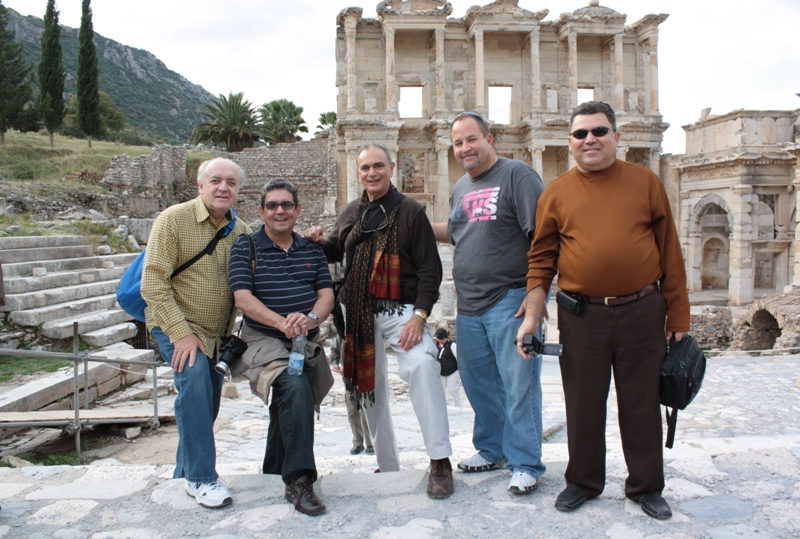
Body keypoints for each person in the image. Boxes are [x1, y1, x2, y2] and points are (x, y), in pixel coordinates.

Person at [517, 101, 690, 520]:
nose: (589, 139)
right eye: (580, 133)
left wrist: (679, 317)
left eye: (598, 131)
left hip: (642, 309)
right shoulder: (556, 193)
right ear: (570, 142)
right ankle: (583, 481)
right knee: (583, 402)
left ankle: (646, 486)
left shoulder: (645, 182)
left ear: (617, 137)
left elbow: (669, 250)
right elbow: (541, 261)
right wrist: (531, 318)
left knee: (641, 401)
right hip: (581, 315)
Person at [305, 143, 454, 499]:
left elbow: (430, 269)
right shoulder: (351, 212)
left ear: (391, 168)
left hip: (401, 309)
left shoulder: (410, 212)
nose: (371, 173)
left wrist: (420, 316)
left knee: (422, 365)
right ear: (358, 173)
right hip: (357, 311)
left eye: (378, 166)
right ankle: (387, 465)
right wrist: (316, 241)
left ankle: (440, 461)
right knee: (370, 388)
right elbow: (336, 250)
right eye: (364, 168)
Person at [431, 111, 546, 494]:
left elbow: (543, 239)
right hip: (471, 305)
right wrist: (411, 223)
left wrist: (535, 298)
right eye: (458, 142)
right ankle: (492, 448)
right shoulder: (461, 186)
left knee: (518, 385)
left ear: (489, 139)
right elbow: (458, 231)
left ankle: (526, 461)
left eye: (471, 139)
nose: (465, 148)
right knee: (480, 384)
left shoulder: (518, 176)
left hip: (509, 298)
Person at [141, 157, 250, 509]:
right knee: (195, 383)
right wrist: (182, 334)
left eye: (231, 182)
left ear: (237, 191)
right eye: (216, 180)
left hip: (215, 334)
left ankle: (181, 476)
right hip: (175, 324)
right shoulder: (173, 220)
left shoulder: (241, 231)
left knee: (206, 405)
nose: (223, 187)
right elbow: (153, 282)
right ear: (200, 186)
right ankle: (203, 478)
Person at [228, 179, 334, 517]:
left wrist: (312, 319)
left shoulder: (312, 249)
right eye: (272, 205)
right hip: (263, 339)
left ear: (298, 210)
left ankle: (274, 468)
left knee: (289, 399)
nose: (280, 211)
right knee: (294, 386)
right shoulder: (246, 247)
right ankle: (300, 479)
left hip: (304, 340)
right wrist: (281, 322)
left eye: (286, 205)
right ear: (261, 212)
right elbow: (242, 298)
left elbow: (326, 294)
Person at [329, 333, 374, 456]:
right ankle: (358, 442)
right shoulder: (341, 334)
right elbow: (334, 349)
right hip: (349, 381)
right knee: (352, 411)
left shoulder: (365, 332)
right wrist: (335, 363)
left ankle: (370, 443)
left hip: (365, 379)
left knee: (365, 411)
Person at [434, 328, 463, 409]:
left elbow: (459, 358)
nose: (440, 341)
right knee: (440, 390)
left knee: (452, 389)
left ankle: (458, 404)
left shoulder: (452, 345)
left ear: (446, 338)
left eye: (441, 339)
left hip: (453, 371)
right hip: (441, 371)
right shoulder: (436, 345)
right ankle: (441, 406)